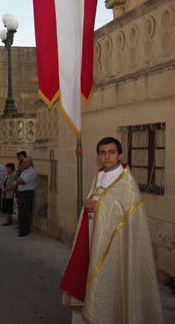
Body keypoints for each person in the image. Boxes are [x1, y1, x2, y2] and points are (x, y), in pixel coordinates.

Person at [60, 137, 162, 324]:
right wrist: (89, 206)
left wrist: (98, 207)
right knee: (86, 275)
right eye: (103, 153)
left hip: (115, 246)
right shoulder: (99, 175)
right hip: (92, 237)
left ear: (120, 155)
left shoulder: (126, 181)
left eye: (111, 152)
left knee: (113, 282)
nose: (107, 156)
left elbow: (125, 215)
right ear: (99, 156)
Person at [16, 158, 37, 237]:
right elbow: (19, 179)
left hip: (27, 194)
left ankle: (24, 230)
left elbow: (22, 181)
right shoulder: (24, 171)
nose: (23, 164)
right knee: (21, 212)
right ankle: (23, 228)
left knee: (24, 212)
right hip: (22, 193)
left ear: (30, 163)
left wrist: (18, 181)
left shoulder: (31, 172)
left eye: (25, 162)